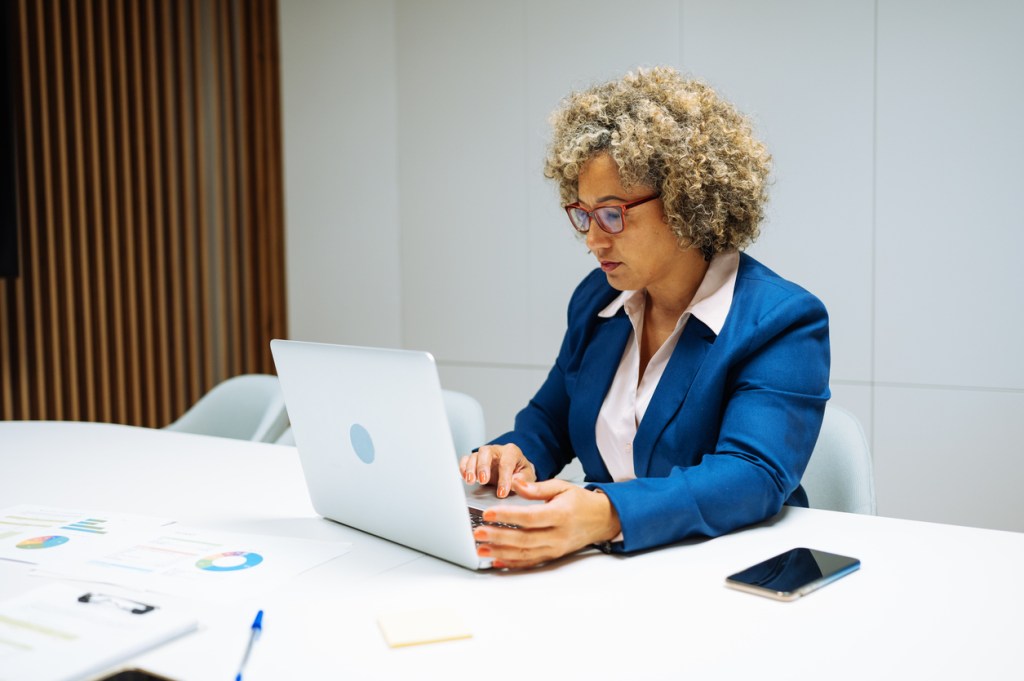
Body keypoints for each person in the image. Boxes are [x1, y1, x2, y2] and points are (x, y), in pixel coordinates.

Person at [459, 66, 830, 569]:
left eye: (613, 213)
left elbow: (752, 475)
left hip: (731, 574)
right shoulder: (598, 299)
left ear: (684, 201)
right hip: (617, 574)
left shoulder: (782, 321)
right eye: (584, 215)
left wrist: (606, 513)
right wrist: (514, 456)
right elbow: (551, 420)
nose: (593, 240)